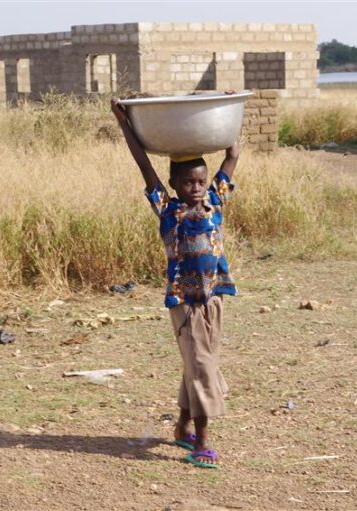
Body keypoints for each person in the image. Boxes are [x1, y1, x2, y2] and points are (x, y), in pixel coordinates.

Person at [111, 98, 240, 469]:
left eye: (201, 180)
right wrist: (125, 124)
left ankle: (182, 425)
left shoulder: (216, 201)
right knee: (201, 366)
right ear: (174, 185)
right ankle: (201, 441)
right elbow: (144, 164)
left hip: (215, 298)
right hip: (185, 303)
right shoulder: (169, 211)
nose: (196, 187)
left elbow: (231, 159)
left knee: (199, 363)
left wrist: (232, 122)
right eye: (188, 182)